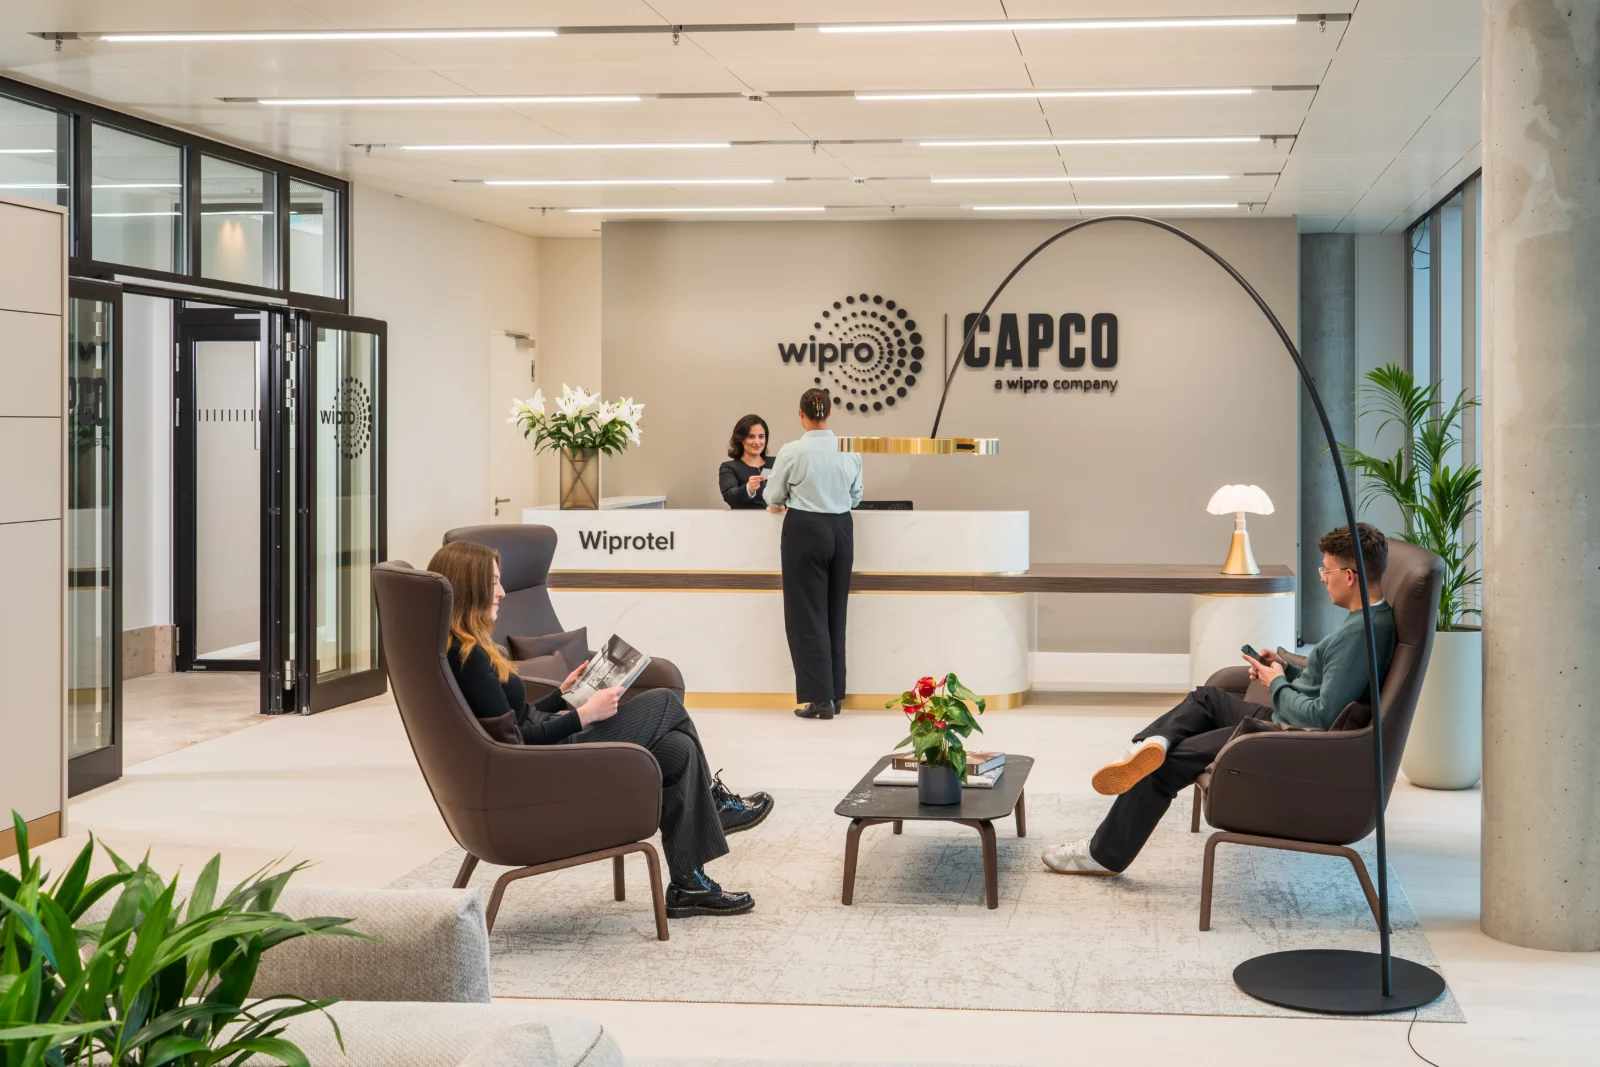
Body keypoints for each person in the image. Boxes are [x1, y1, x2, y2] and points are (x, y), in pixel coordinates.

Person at [426, 540, 774, 918]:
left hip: (540, 756)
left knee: (678, 750)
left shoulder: (466, 648)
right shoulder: (470, 658)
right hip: (542, 768)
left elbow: (518, 719)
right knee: (664, 701)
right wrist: (584, 715)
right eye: (494, 582)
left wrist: (562, 696)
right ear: (471, 586)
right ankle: (716, 803)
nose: (502, 592)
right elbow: (518, 742)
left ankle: (688, 885)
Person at [1041, 523, 1397, 876]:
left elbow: (1319, 717)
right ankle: (1151, 743)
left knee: (1164, 767)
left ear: (1349, 576)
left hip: (1289, 737)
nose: (1322, 578)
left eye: (1326, 570)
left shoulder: (1360, 635)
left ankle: (1103, 855)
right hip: (1286, 721)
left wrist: (1275, 684)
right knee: (1207, 698)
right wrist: (1284, 671)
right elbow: (1326, 684)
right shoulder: (1368, 620)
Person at [764, 388, 863, 720]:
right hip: (842, 529)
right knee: (836, 612)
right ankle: (834, 693)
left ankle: (820, 700)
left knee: (807, 615)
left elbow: (773, 495)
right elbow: (856, 496)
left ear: (801, 414)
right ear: (829, 413)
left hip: (805, 529)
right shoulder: (849, 449)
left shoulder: (792, 451)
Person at [719, 414, 773, 509]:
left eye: (761, 436)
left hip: (779, 518)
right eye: (751, 437)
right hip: (745, 518)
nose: (757, 442)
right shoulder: (729, 468)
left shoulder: (777, 462)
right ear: (740, 439)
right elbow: (730, 497)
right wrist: (749, 488)